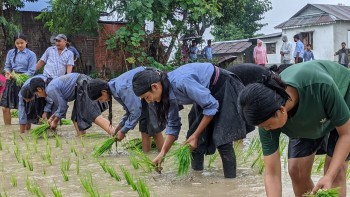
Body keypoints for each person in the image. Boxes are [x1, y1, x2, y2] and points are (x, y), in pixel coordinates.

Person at [238, 60, 350, 197]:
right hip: (311, 114)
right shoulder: (265, 117)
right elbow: (272, 173)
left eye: (268, 126)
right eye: (262, 127)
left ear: (281, 111)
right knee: (296, 170)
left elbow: (347, 135)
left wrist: (329, 176)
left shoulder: (320, 85)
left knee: (335, 172)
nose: (266, 130)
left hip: (344, 96)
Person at [132, 63, 246, 178]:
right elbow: (173, 125)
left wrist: (196, 135)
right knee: (192, 143)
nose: (148, 101)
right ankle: (197, 177)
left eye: (147, 97)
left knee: (223, 139)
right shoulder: (166, 93)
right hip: (204, 93)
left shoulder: (181, 82)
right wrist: (163, 153)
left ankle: (230, 182)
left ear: (155, 87)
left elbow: (211, 106)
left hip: (223, 85)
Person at [87, 67, 165, 153]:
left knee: (154, 128)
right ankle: (146, 156)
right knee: (144, 127)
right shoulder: (114, 88)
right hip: (145, 91)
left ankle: (162, 157)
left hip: (153, 88)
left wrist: (123, 131)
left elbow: (136, 112)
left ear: (104, 92)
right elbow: (129, 111)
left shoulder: (121, 88)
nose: (102, 101)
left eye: (100, 99)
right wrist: (120, 127)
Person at [29, 73, 114, 136]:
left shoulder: (50, 90)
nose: (38, 96)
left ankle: (115, 134)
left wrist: (55, 121)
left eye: (37, 94)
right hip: (81, 86)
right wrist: (51, 118)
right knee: (75, 118)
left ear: (39, 89)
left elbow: (63, 106)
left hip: (82, 85)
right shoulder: (50, 86)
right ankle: (82, 140)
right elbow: (61, 106)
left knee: (94, 115)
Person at [0, 33, 36, 125]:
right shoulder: (11, 53)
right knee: (5, 107)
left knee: (24, 107)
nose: (20, 45)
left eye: (22, 43)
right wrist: (7, 72)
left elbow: (31, 72)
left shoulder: (31, 54)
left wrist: (17, 77)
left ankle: (25, 130)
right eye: (17, 43)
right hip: (11, 81)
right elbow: (7, 66)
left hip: (25, 82)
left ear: (26, 42)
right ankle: (8, 129)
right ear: (15, 43)